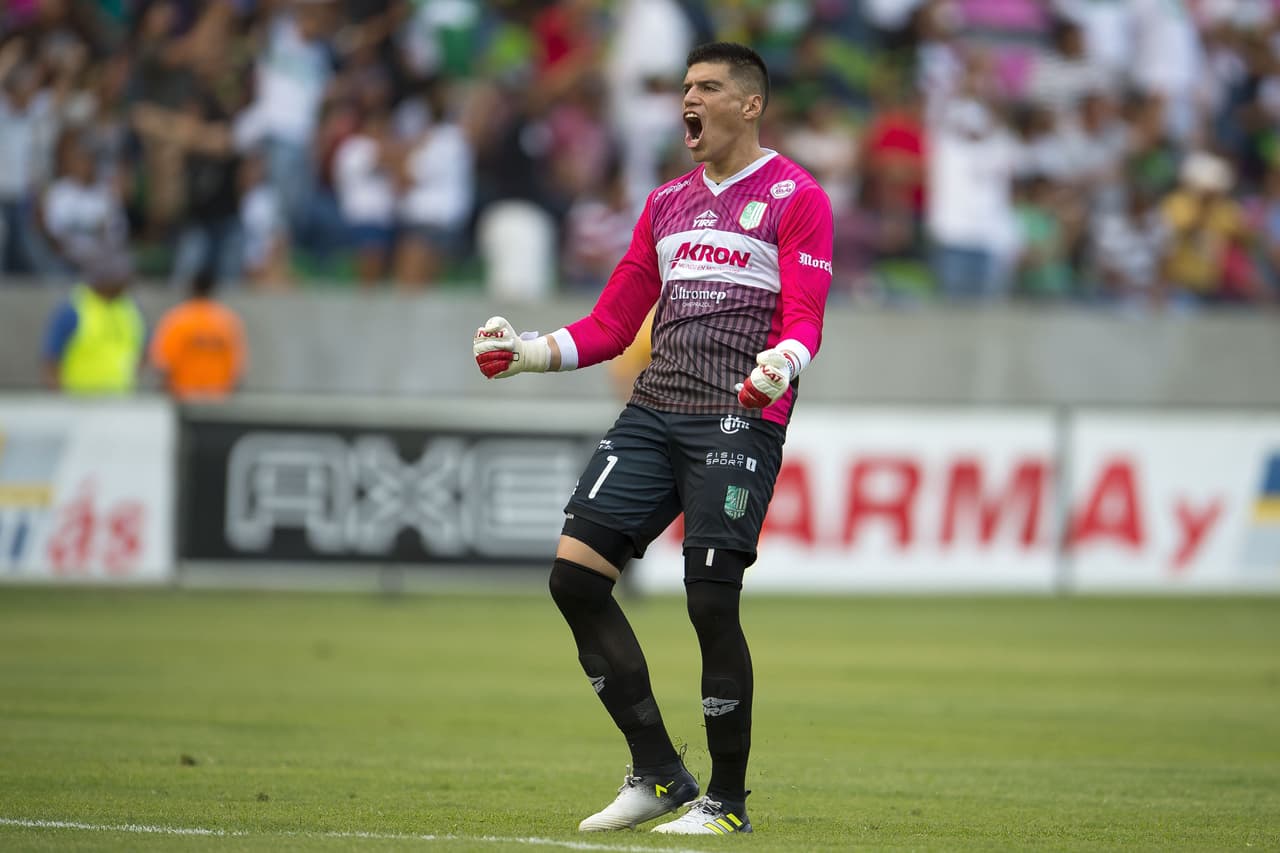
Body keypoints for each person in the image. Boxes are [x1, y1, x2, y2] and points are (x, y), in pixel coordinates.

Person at [472, 42, 833, 836]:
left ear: (750, 104)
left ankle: (726, 802)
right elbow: (610, 324)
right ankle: (659, 771)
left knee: (709, 599)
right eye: (685, 88)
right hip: (653, 410)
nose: (688, 101)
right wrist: (527, 351)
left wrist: (781, 363)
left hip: (737, 417)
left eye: (708, 87)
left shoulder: (796, 196)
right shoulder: (666, 202)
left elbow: (805, 316)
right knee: (574, 579)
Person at [42, 246, 146, 395]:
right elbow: (51, 358)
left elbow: (143, 349)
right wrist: (57, 397)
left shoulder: (130, 309)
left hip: (120, 399)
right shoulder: (73, 309)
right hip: (78, 399)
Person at [149, 269, 248, 401]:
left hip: (183, 396)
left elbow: (164, 363)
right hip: (218, 397)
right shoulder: (227, 321)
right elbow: (236, 367)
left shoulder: (177, 319)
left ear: (191, 288)